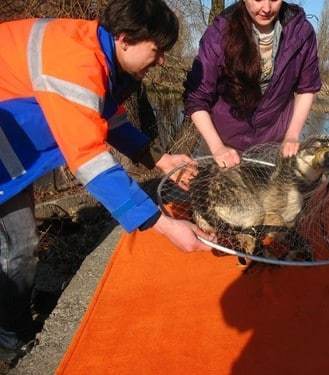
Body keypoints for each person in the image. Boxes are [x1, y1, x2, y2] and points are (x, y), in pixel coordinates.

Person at [0, 0, 211, 365]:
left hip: (11, 144)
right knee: (19, 243)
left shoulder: (100, 55)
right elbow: (89, 160)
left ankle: (12, 319)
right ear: (126, 39)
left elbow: (110, 122)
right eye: (157, 50)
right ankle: (10, 338)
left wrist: (160, 159)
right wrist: (161, 224)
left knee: (19, 242)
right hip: (7, 141)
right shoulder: (76, 61)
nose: (161, 60)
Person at [183, 0, 322, 168]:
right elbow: (196, 98)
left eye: (274, 0)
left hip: (274, 147)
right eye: (257, 0)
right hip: (224, 146)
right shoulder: (219, 33)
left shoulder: (301, 32)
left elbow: (307, 88)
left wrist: (292, 136)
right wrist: (217, 147)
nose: (266, 8)